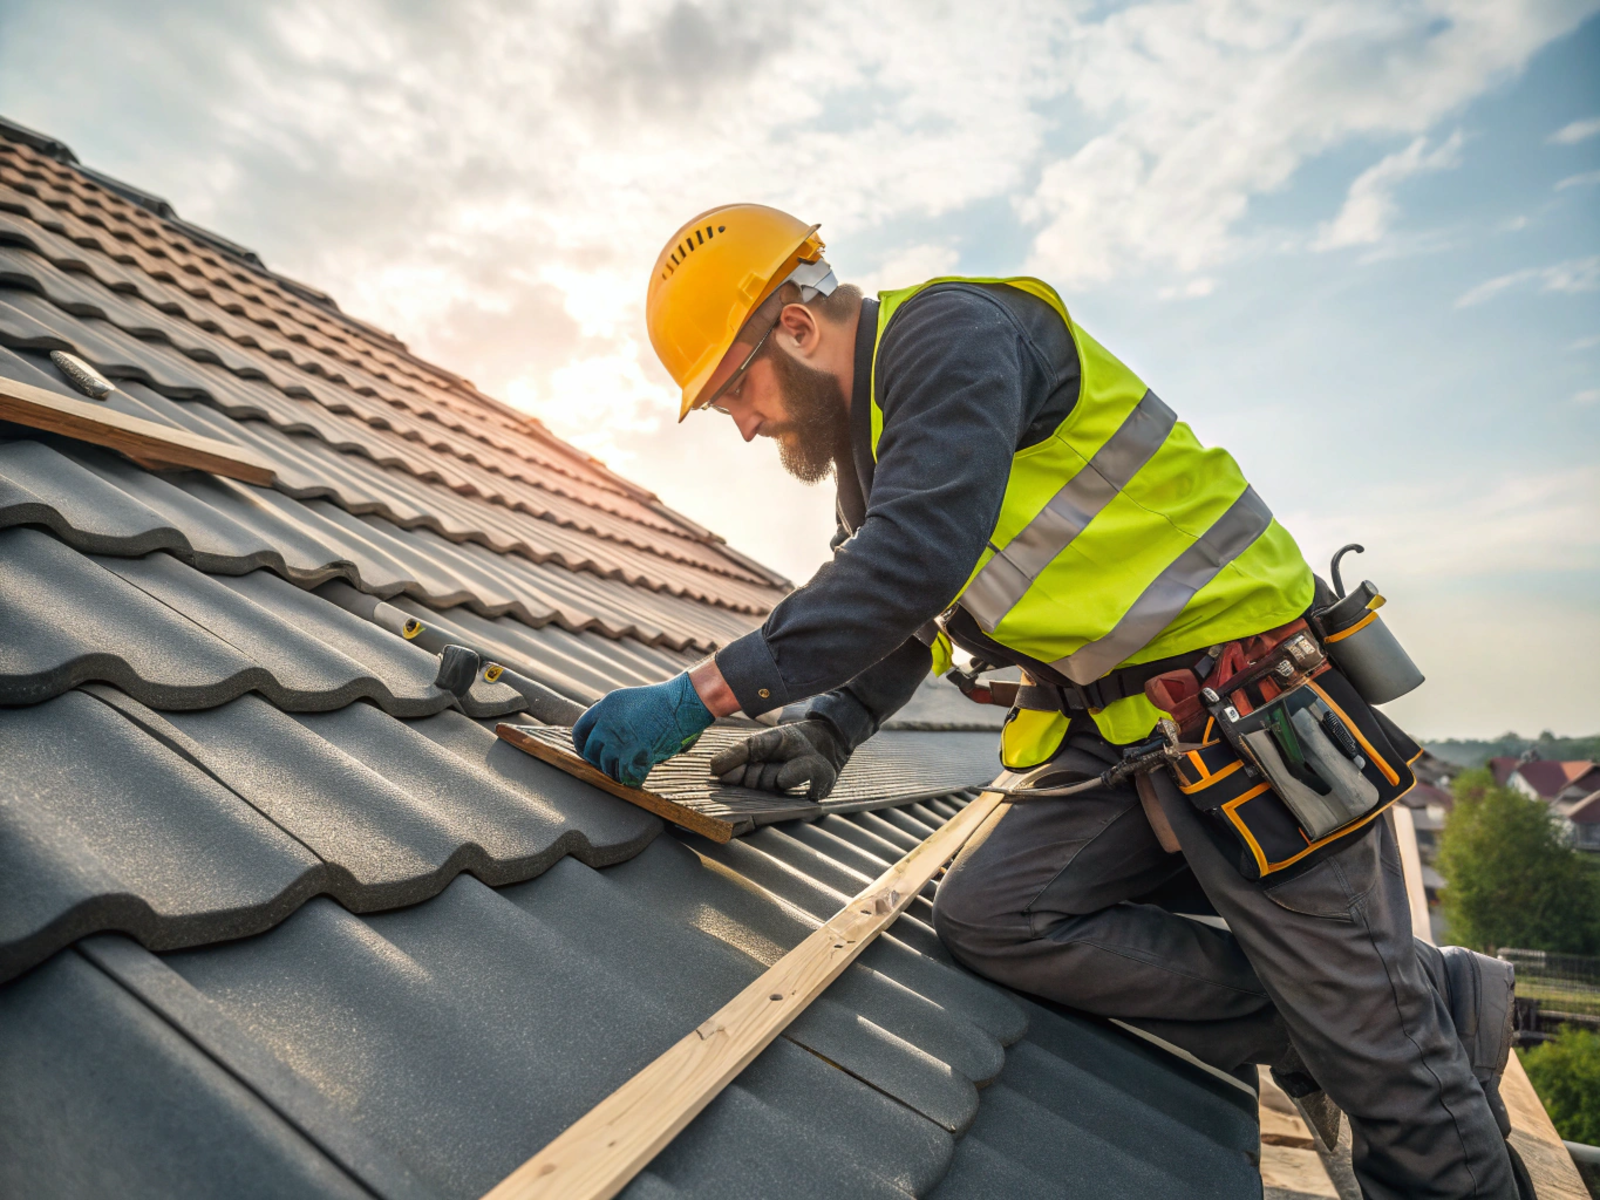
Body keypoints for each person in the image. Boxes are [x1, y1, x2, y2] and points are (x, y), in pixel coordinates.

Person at [572, 204, 1524, 1198]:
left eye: (735, 392)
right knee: (995, 916)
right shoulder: (881, 443)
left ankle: (1384, 1027)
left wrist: (699, 693)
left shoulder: (951, 340)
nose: (746, 424)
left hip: (1251, 712)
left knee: (1393, 1085)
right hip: (1136, 744)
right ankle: (1416, 998)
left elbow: (912, 560)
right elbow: (906, 602)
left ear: (797, 329)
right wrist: (831, 723)